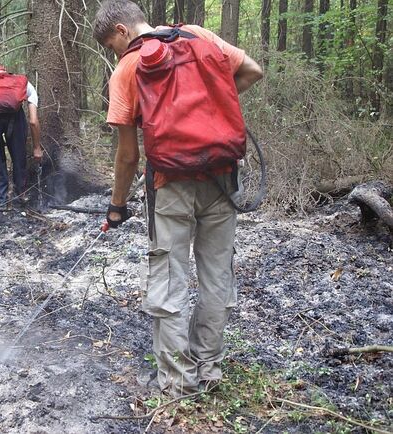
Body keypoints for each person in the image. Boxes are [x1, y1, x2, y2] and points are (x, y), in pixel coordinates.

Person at [93, 0, 263, 397]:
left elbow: (129, 155)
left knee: (169, 278)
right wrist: (212, 102)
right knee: (217, 273)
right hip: (223, 177)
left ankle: (177, 382)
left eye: (112, 46)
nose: (115, 54)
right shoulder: (200, 36)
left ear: (121, 30)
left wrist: (117, 206)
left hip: (170, 186)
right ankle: (209, 367)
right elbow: (253, 70)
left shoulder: (129, 67)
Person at [0, 65, 43, 207]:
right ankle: (19, 198)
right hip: (15, 120)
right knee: (19, 159)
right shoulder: (25, 85)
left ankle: (0, 200)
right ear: (8, 73)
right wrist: (37, 147)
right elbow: (33, 121)